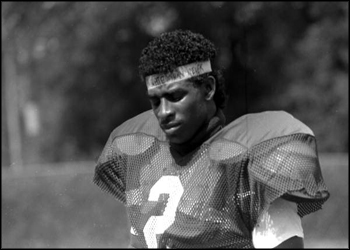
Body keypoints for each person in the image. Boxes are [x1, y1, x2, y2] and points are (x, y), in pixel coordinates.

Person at [93, 30, 330, 248]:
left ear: (208, 88)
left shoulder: (250, 162)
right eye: (155, 101)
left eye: (175, 96)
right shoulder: (143, 156)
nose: (163, 112)